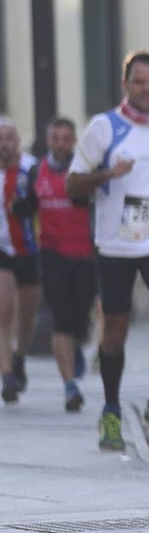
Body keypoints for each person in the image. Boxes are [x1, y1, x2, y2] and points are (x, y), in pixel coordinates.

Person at [67, 50, 149, 450]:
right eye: (139, 82)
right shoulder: (104, 127)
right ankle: (111, 411)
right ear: (126, 83)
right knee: (115, 330)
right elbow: (72, 185)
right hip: (115, 243)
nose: (146, 89)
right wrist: (108, 173)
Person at [29, 118, 98, 411]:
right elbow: (28, 204)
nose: (60, 143)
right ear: (48, 141)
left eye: (66, 138)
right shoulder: (37, 171)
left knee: (79, 319)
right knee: (61, 318)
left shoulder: (83, 172)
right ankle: (70, 387)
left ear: (74, 142)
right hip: (52, 254)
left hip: (84, 255)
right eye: (55, 138)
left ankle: (76, 346)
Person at [0, 118, 40, 404]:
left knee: (27, 317)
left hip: (30, 249)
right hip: (2, 249)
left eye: (10, 138)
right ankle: (6, 376)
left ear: (18, 140)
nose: (4, 145)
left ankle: (19, 357)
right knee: (3, 312)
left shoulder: (32, 168)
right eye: (0, 139)